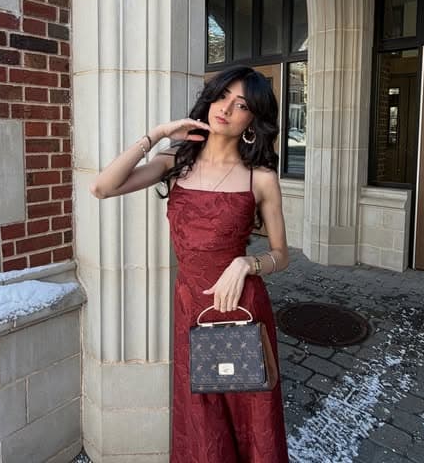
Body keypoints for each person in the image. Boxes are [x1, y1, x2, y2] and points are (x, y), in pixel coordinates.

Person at [90, 65, 289, 462]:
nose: (225, 109)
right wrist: (157, 134)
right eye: (222, 96)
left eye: (241, 104)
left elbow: (281, 255)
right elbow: (102, 187)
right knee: (202, 416)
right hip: (192, 307)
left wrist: (246, 264)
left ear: (253, 120)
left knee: (249, 410)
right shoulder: (175, 161)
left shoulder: (261, 178)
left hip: (242, 306)